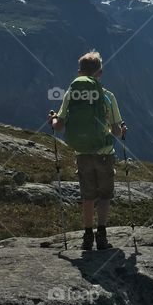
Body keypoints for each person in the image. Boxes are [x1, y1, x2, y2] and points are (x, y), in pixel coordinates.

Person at [48, 50, 126, 250]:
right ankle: (102, 234)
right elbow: (117, 131)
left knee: (88, 196)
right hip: (105, 153)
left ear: (79, 72)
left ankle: (87, 236)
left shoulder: (70, 95)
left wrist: (53, 118)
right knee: (105, 195)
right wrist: (121, 130)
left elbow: (59, 126)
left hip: (82, 153)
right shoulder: (108, 97)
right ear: (100, 73)